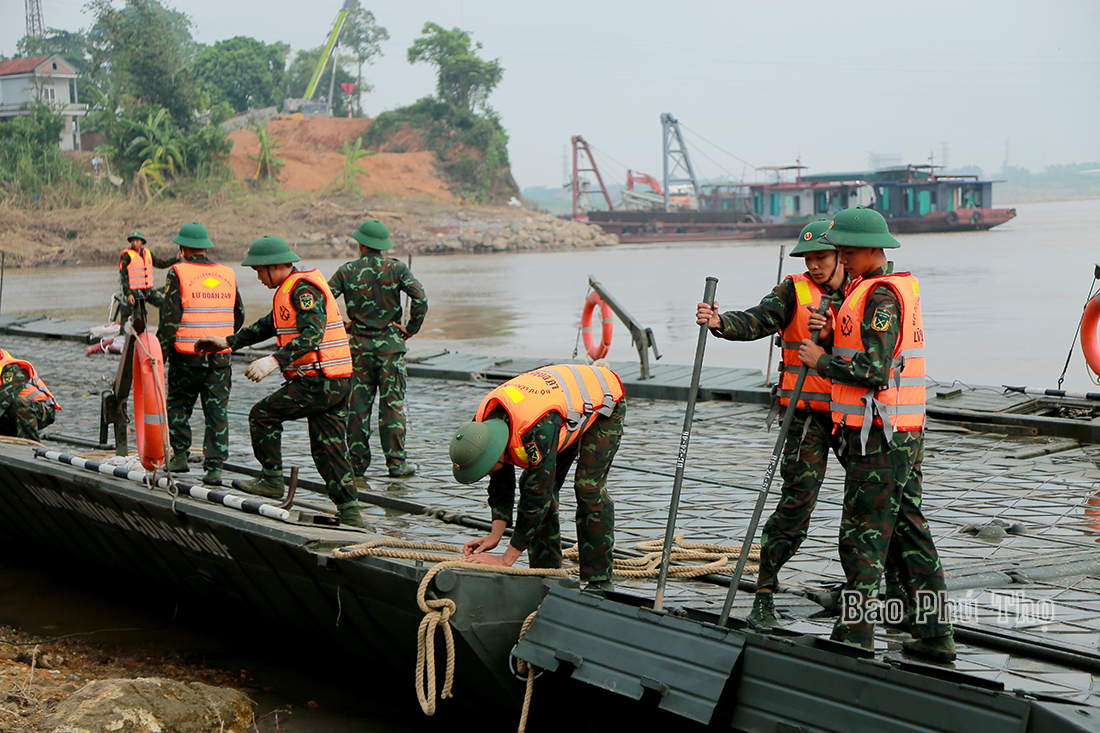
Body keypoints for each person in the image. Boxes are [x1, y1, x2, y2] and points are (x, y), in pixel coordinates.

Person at [798, 207, 955, 662]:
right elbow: (863, 349)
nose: (841, 259)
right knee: (909, 533)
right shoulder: (870, 288)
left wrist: (819, 360)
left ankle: (855, 635)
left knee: (862, 537)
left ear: (873, 250)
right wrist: (830, 338)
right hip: (898, 432)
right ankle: (935, 635)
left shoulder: (882, 296)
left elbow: (874, 370)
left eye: (847, 252)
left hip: (880, 436)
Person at [695, 219, 849, 627]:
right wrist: (720, 322)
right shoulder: (791, 290)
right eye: (809, 258)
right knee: (797, 501)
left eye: (822, 258)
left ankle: (880, 586)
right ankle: (765, 587)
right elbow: (758, 319)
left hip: (857, 413)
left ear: (841, 256)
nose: (814, 266)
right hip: (805, 415)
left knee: (876, 503)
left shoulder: (863, 290)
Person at [194, 236, 363, 528]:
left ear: (274, 266)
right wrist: (225, 342)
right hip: (335, 381)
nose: (258, 277)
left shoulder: (303, 290)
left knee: (262, 415)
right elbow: (267, 325)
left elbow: (312, 335)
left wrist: (272, 362)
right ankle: (350, 512)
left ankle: (272, 480)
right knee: (329, 448)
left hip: (318, 381)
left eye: (259, 271)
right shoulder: (291, 289)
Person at [449, 364, 625, 591]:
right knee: (536, 485)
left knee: (587, 488)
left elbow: (537, 495)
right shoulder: (483, 426)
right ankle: (546, 572)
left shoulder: (534, 430)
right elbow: (500, 479)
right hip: (561, 412)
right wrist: (495, 534)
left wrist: (506, 559)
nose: (486, 473)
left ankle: (600, 581)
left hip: (603, 401)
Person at [328, 220, 427, 479]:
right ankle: (396, 464)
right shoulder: (396, 268)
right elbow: (421, 298)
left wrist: (343, 326)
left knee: (357, 408)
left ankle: (357, 466)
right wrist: (410, 328)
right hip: (391, 350)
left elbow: (322, 300)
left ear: (361, 244)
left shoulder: (346, 271)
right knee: (391, 407)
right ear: (382, 246)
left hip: (358, 350)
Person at [156, 222, 245, 484]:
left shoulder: (177, 273)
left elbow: (170, 321)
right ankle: (215, 469)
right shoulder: (227, 273)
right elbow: (237, 315)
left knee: (179, 406)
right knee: (217, 411)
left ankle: (180, 456)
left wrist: (159, 355)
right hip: (220, 357)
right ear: (205, 247)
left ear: (182, 248)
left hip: (188, 357)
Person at [0, 349, 59, 440]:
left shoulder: (13, 369)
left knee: (18, 402)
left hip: (40, 410)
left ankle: (29, 442)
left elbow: (4, 400)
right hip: (13, 412)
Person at [117, 231, 175, 324]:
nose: (135, 243)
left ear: (142, 242)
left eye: (137, 241)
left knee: (164, 304)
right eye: (133, 241)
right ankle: (131, 333)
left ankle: (162, 330)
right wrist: (128, 294)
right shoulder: (126, 256)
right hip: (134, 292)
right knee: (136, 316)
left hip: (147, 291)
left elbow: (161, 264)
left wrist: (175, 259)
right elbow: (124, 276)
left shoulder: (147, 253)